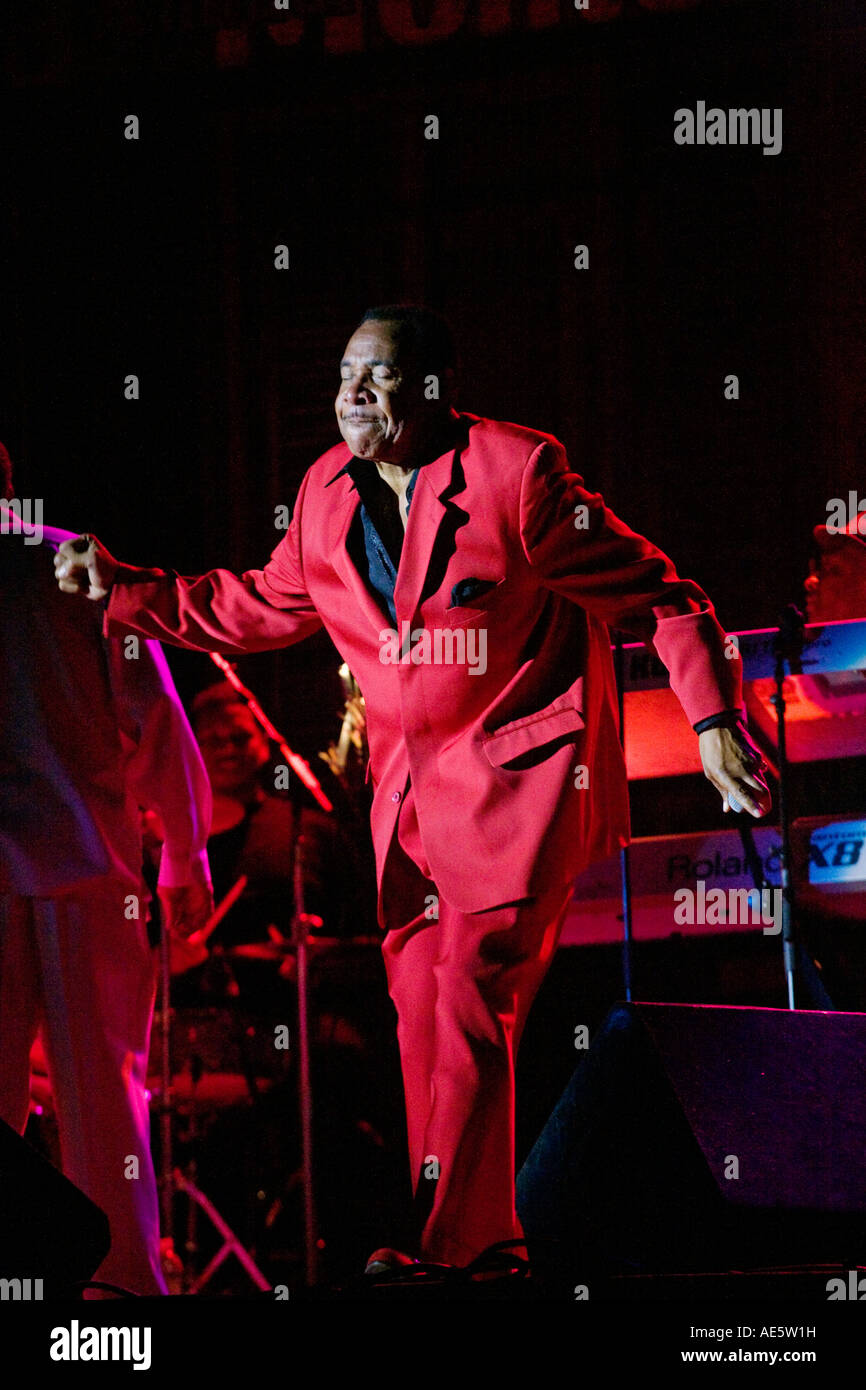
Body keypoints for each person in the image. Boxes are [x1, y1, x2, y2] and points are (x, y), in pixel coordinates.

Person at [55, 306, 771, 1273]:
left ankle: (439, 1247)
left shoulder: (519, 477)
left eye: (377, 377)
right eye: (346, 374)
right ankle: (485, 1243)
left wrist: (715, 724)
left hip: (521, 786)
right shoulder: (322, 493)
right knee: (422, 1013)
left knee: (475, 998)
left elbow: (661, 594)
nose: (351, 394)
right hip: (407, 810)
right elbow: (261, 605)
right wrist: (129, 589)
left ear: (432, 390)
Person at [0, 443, 213, 1295]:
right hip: (85, 864)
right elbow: (155, 715)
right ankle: (121, 1290)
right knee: (105, 1101)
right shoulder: (64, 563)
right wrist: (186, 852)